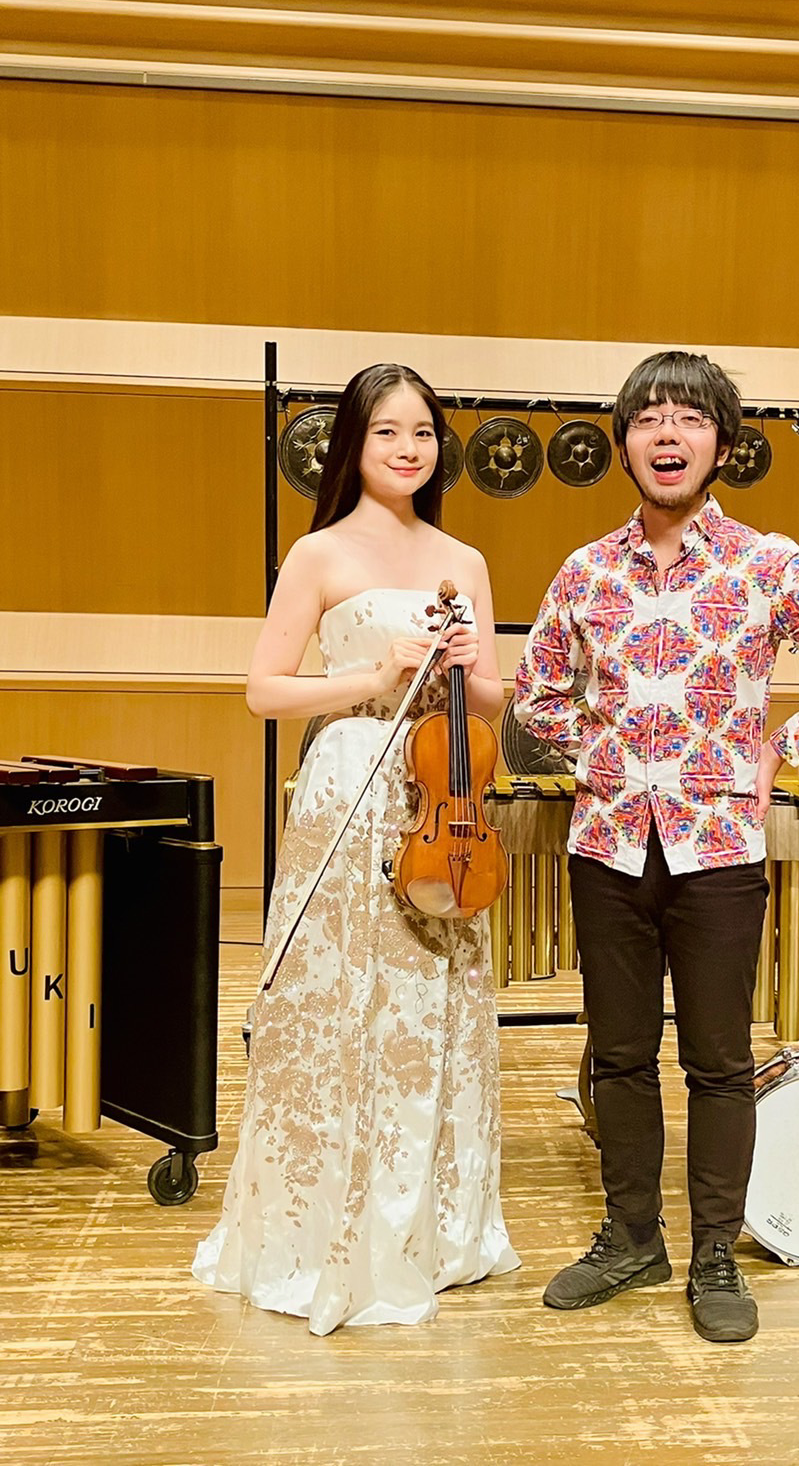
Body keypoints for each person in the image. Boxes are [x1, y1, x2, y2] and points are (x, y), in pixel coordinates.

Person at [514, 351, 799, 1344]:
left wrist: (780, 745)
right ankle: (630, 1237)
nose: (667, 434)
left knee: (719, 1061)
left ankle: (715, 1251)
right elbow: (535, 693)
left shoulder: (763, 562)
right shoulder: (584, 570)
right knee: (618, 1055)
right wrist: (599, 753)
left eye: (688, 418)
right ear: (625, 446)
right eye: (648, 418)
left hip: (718, 845)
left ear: (721, 445)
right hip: (608, 843)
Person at [194, 363, 519, 1334]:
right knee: (340, 1002)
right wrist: (372, 677)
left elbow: (493, 698)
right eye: (387, 431)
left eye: (422, 432)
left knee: (429, 1004)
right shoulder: (319, 553)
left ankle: (429, 1233)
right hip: (350, 778)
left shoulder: (463, 558)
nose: (409, 448)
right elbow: (264, 689)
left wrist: (471, 667)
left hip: (443, 795)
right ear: (353, 443)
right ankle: (319, 1234)